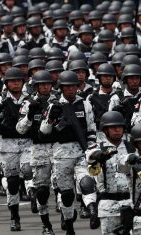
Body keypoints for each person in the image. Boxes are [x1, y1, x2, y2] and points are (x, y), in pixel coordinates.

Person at [40, 71, 98, 235]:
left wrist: (92, 149)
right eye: (67, 87)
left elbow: (91, 129)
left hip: (81, 151)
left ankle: (93, 210)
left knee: (86, 182)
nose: (71, 89)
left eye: (74, 86)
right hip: (60, 154)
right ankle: (69, 226)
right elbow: (44, 131)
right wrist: (51, 118)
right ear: (62, 88)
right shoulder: (54, 105)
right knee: (66, 194)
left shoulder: (85, 104)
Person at [0, 67, 30, 231]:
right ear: (7, 83)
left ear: (22, 82)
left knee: (28, 170)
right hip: (7, 145)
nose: (16, 83)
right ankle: (14, 216)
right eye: (12, 81)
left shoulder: (30, 100)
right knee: (12, 183)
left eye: (18, 80)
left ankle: (33, 193)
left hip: (27, 143)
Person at [15, 70, 57, 235]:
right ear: (36, 86)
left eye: (48, 84)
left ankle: (66, 218)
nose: (45, 87)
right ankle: (46, 224)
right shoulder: (28, 103)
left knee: (62, 187)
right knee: (42, 191)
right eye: (42, 84)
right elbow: (20, 129)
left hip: (58, 146)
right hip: (38, 148)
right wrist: (30, 116)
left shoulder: (58, 100)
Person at [86, 111, 133, 234]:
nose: (117, 130)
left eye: (120, 127)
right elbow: (90, 156)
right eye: (113, 127)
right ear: (105, 130)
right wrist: (100, 155)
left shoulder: (132, 147)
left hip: (131, 201)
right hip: (108, 204)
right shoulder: (98, 147)